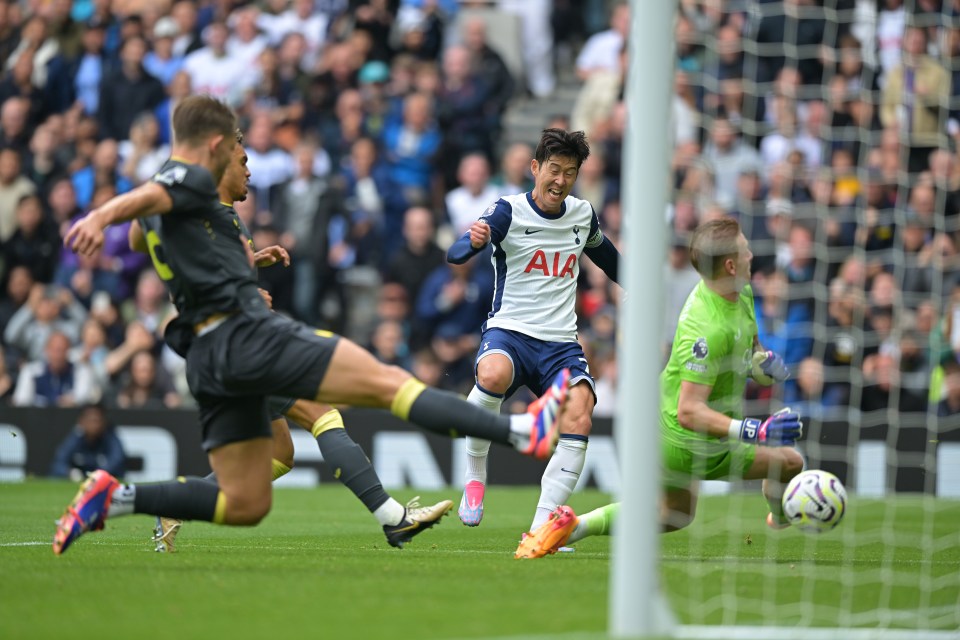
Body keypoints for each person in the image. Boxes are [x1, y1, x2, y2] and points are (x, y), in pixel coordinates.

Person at [54, 95, 569, 556]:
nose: (248, 169)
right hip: (248, 335)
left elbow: (162, 237)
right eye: (240, 155)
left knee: (246, 500)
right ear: (213, 146)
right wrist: (100, 217)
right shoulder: (186, 174)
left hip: (210, 357)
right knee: (384, 382)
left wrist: (244, 261)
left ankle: (117, 497)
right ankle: (521, 429)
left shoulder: (181, 213)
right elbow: (153, 192)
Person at [133, 131, 455, 552]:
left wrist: (253, 263)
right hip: (236, 347)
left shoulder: (227, 216)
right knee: (323, 413)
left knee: (280, 455)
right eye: (244, 162)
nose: (250, 170)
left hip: (231, 349)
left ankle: (171, 505)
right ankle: (393, 517)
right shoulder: (211, 215)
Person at [515, 218, 805, 559]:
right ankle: (781, 516)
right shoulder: (706, 330)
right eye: (745, 249)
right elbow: (689, 410)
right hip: (685, 439)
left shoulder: (739, 290)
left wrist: (762, 363)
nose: (752, 254)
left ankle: (574, 526)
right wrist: (755, 429)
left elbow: (751, 349)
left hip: (675, 427)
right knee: (789, 462)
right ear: (730, 264)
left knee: (673, 513)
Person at [445, 128, 621, 552]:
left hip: (560, 343)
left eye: (570, 173)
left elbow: (606, 254)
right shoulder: (508, 211)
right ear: (535, 169)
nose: (560, 181)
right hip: (510, 330)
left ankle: (544, 529)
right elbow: (455, 253)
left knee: (581, 413)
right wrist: (470, 242)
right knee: (492, 371)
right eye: (554, 170)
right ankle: (475, 474)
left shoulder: (582, 214)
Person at [49, 403, 126, 481]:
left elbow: (117, 460)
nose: (94, 425)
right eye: (90, 420)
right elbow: (59, 462)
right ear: (81, 422)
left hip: (103, 482)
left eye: (97, 421)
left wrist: (97, 475)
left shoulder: (110, 437)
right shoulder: (75, 438)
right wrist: (70, 473)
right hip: (79, 483)